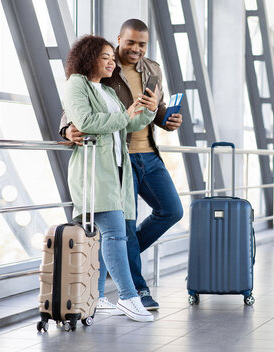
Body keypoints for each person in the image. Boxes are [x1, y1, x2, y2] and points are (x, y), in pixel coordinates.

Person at [60, 19, 183, 311]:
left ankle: (114, 257)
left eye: (142, 44)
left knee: (171, 211)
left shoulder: (152, 69)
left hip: (149, 154)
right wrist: (66, 130)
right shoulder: (101, 67)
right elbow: (77, 111)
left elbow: (152, 109)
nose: (136, 49)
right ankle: (137, 290)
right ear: (119, 39)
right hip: (118, 157)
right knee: (121, 228)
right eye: (130, 42)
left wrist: (166, 118)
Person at [63, 34, 157, 322]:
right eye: (105, 57)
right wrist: (124, 116)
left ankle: (99, 295)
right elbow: (87, 122)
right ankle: (129, 298)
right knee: (116, 234)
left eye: (111, 58)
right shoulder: (77, 84)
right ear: (89, 58)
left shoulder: (107, 91)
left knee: (112, 234)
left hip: (115, 172)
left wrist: (148, 112)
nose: (111, 62)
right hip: (94, 173)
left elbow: (127, 123)